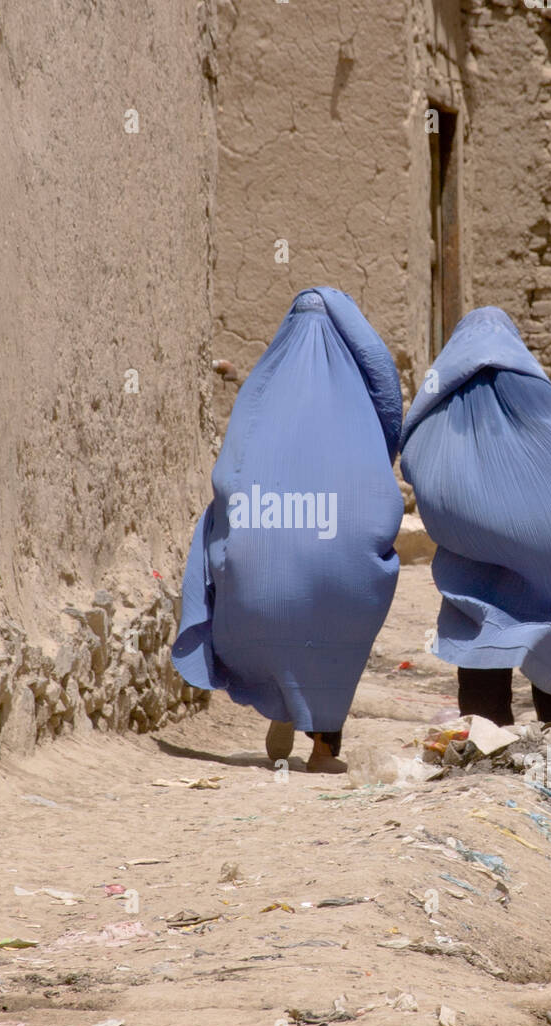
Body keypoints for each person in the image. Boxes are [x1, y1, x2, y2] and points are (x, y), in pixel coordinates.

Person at [172, 288, 403, 772]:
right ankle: (322, 748)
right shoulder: (355, 404)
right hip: (342, 560)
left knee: (249, 572)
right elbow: (380, 479)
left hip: (266, 544)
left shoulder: (262, 390)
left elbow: (227, 479)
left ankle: (279, 697)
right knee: (338, 612)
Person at [399, 307, 551, 726]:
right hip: (542, 553)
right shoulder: (536, 392)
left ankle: (487, 735)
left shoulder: (440, 407)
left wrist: (471, 515)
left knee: (481, 628)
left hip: (474, 553)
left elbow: (417, 465)